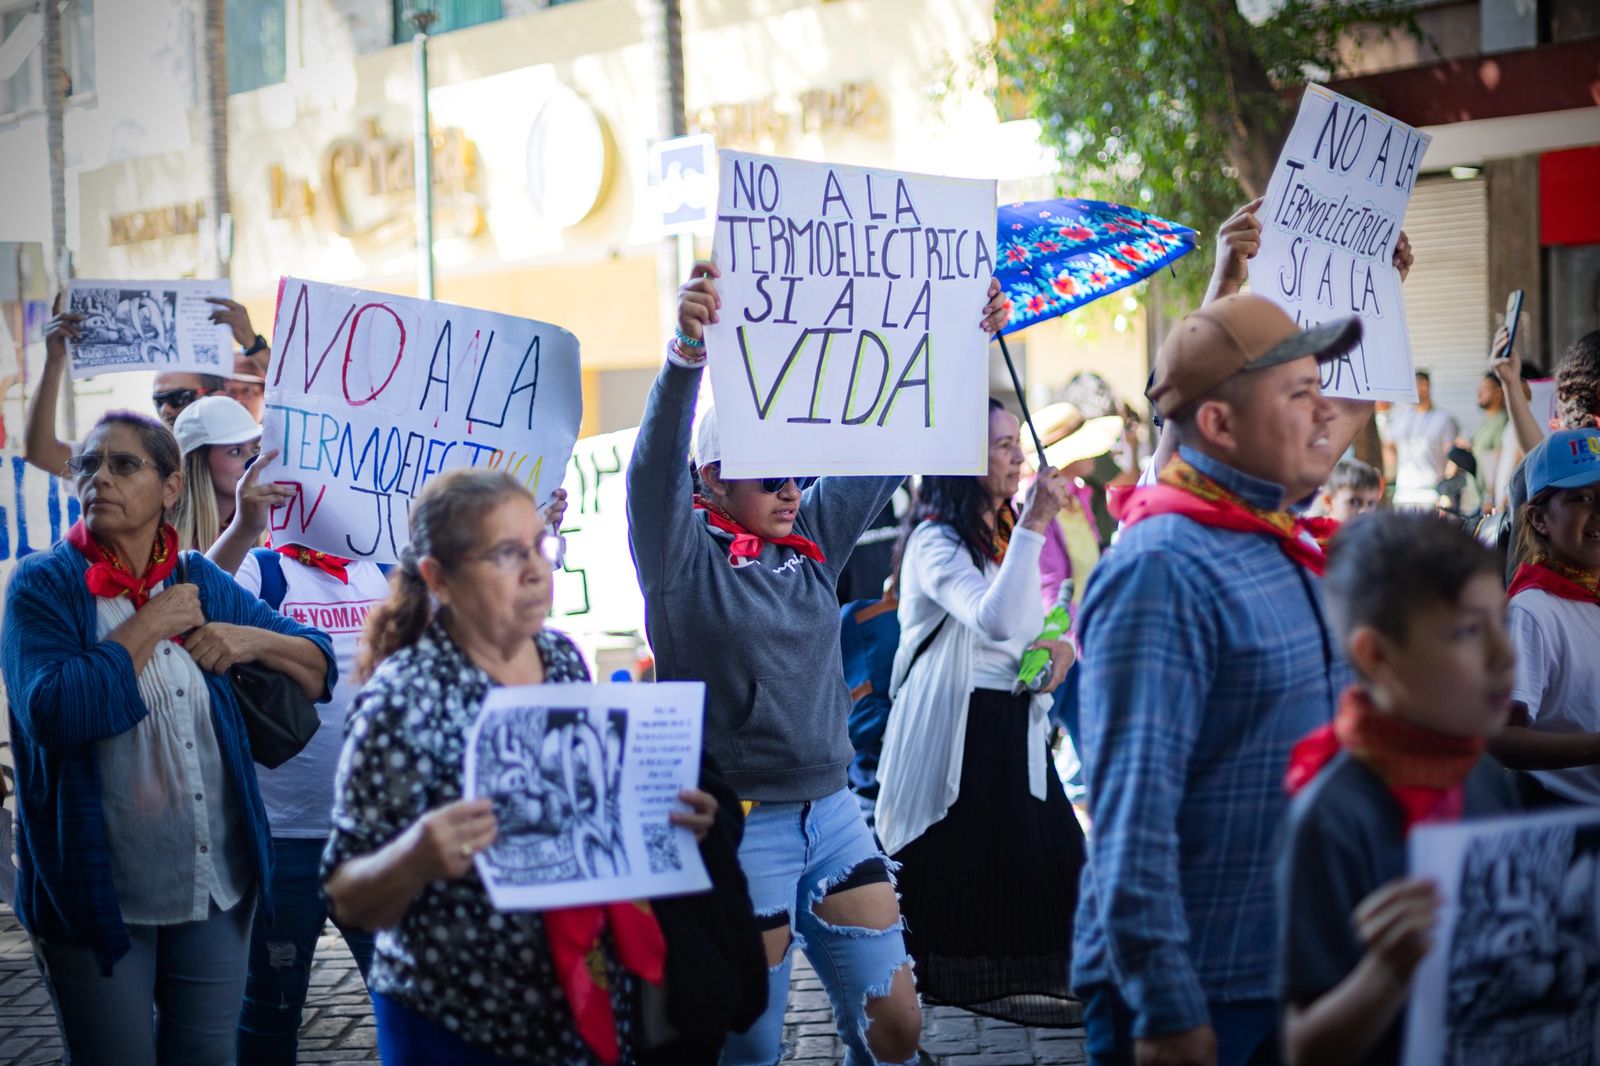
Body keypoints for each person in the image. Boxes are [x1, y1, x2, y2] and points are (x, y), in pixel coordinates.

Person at [625, 259, 1011, 1066]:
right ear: (711, 481)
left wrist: (964, 346)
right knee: (750, 1048)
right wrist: (684, 356)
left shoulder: (813, 545)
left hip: (834, 816)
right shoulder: (679, 560)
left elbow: (897, 433)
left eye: (797, 472)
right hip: (740, 829)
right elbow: (649, 471)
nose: (792, 488)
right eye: (768, 476)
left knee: (896, 1027)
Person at [321, 469, 719, 1066]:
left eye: (541, 545)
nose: (538, 570)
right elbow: (347, 898)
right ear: (439, 578)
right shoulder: (400, 701)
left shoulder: (560, 658)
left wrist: (661, 818)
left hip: (580, 998)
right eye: (507, 553)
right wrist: (415, 857)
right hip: (457, 1022)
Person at [1074, 293, 1364, 1066]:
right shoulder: (1165, 567)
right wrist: (1168, 1006)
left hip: (1287, 965)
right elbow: (1131, 817)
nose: (1325, 413)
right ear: (1220, 426)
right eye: (1300, 393)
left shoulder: (1275, 533)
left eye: (1320, 388)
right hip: (1196, 987)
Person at [0, 410, 334, 1066]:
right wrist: (149, 622)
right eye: (88, 465)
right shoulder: (42, 588)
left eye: (123, 464)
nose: (100, 476)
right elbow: (54, 712)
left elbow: (315, 664)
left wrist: (249, 638)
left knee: (207, 1056)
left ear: (172, 486)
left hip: (215, 882)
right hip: (98, 895)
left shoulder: (196, 577)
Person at [1277, 511, 1518, 1066]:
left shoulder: (1483, 776)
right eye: (1466, 631)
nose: (1505, 657)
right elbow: (1302, 1046)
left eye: (1502, 624)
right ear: (1377, 656)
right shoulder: (1333, 814)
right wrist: (1385, 974)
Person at [875, 399, 1085, 1026]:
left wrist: (1058, 648)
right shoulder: (933, 544)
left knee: (1057, 871)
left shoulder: (999, 536)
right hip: (955, 737)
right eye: (1001, 445)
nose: (1018, 455)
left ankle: (1061, 990)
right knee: (957, 889)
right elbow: (990, 617)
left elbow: (1019, 627)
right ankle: (923, 1015)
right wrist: (1035, 524)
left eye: (1016, 441)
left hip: (1007, 727)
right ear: (963, 461)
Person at [224, 535, 388, 1062]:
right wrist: (248, 518)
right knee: (270, 1010)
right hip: (281, 840)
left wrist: (536, 530)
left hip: (376, 839)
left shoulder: (384, 569)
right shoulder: (263, 570)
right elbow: (197, 607)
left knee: (408, 1003)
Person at [1487, 427, 1600, 808]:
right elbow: (1503, 738)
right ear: (1539, 519)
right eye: (1582, 498)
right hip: (1569, 819)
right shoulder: (1534, 611)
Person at [23, 302, 223, 477]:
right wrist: (54, 361)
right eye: (158, 400)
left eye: (179, 397)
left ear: (216, 395)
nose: (166, 410)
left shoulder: (238, 454)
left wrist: (253, 344)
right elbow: (42, 453)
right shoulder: (137, 453)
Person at [170, 395, 264, 551]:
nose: (252, 461)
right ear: (198, 463)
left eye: (256, 449)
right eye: (235, 451)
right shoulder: (162, 542)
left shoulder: (263, 527)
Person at [1384, 370, 1459, 510]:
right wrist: (1391, 475)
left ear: (1425, 387)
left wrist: (1446, 489)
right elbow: (1389, 445)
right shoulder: (1400, 417)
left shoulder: (1444, 419)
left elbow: (1452, 457)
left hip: (1431, 493)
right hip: (1403, 493)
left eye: (1416, 385)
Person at [1318, 458, 1382, 523]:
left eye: (1371, 503)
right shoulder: (1312, 532)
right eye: (1354, 502)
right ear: (1328, 502)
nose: (1365, 511)